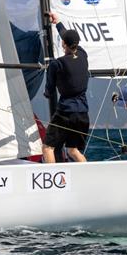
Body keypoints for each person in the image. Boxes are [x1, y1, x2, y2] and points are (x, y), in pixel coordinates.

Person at [41, 12, 89, 164]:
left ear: (63, 45)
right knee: (73, 150)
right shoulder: (83, 54)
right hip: (82, 113)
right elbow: (67, 37)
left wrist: (47, 93)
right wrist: (58, 23)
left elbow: (49, 91)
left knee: (48, 148)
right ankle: (90, 177)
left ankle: (53, 185)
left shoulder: (57, 64)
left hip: (65, 113)